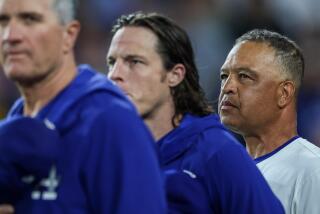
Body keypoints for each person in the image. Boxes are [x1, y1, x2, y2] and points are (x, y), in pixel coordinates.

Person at [107, 12, 284, 214]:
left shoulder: (216, 152)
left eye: (134, 62)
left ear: (174, 75)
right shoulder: (111, 154)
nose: (114, 74)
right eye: (112, 62)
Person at [0, 0, 167, 213]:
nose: (10, 36)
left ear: (68, 35)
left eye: (30, 19)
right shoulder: (14, 125)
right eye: (3, 21)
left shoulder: (110, 122)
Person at [219, 29, 320, 214]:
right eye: (224, 76)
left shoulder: (312, 171)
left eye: (244, 76)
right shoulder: (223, 172)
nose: (227, 88)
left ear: (284, 94)